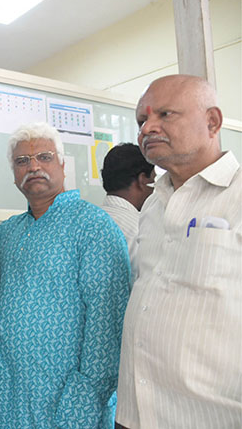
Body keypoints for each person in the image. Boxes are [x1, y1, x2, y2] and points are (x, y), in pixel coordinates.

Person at [116, 75, 242, 428]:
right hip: (135, 413)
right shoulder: (153, 204)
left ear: (212, 121)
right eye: (142, 120)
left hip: (209, 417)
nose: (147, 128)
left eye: (165, 114)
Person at [0, 122, 130, 428]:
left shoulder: (93, 226)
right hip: (9, 399)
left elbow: (108, 324)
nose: (33, 167)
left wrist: (82, 405)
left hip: (68, 404)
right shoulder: (7, 233)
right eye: (22, 161)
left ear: (63, 165)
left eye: (44, 157)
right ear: (13, 174)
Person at [100, 143, 155, 282]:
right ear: (142, 180)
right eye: (153, 182)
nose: (154, 191)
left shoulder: (87, 222)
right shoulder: (140, 230)